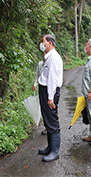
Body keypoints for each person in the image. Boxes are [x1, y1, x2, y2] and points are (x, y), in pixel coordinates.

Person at [37, 34, 63, 162]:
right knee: (47, 119)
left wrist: (50, 97)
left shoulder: (54, 58)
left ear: (50, 43)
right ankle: (49, 147)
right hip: (44, 90)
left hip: (49, 91)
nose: (42, 44)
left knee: (52, 120)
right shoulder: (48, 57)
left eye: (43, 42)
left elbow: (53, 79)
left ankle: (55, 151)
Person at [32, 45, 47, 135]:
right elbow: (36, 75)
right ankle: (46, 126)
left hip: (49, 88)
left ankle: (53, 126)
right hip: (41, 87)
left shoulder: (51, 64)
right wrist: (35, 84)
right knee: (43, 107)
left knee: (51, 107)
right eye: (44, 55)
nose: (44, 57)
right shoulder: (40, 64)